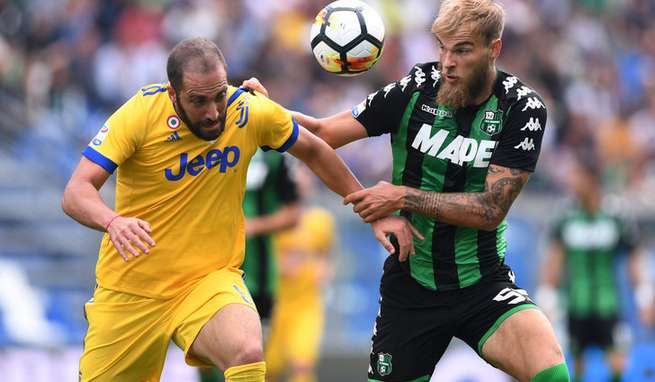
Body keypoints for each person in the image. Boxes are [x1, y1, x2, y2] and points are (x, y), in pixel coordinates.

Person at [61, 37, 419, 382]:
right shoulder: (139, 116)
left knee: (246, 350)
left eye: (219, 95)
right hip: (132, 290)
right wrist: (113, 221)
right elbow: (76, 191)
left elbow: (314, 149)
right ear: (173, 94)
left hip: (207, 279)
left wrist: (371, 210)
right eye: (199, 101)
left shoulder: (247, 111)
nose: (214, 111)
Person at [245, 0, 569, 380]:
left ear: (492, 49)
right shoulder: (416, 88)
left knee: (552, 372)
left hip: (483, 285)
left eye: (461, 50)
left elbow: (490, 210)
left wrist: (401, 197)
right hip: (411, 286)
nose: (447, 62)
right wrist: (271, 113)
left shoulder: (522, 108)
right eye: (442, 47)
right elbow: (324, 133)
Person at [538, 158, 654, 382]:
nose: (572, 182)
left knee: (618, 361)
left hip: (608, 304)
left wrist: (644, 297)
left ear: (591, 180)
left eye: (577, 176)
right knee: (575, 363)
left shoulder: (616, 215)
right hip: (575, 304)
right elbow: (554, 259)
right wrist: (547, 298)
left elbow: (633, 258)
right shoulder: (565, 216)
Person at [199, 150, 301, 382]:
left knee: (252, 358)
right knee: (205, 359)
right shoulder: (205, 142)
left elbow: (293, 214)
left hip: (259, 276)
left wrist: (249, 227)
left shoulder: (273, 155)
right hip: (208, 270)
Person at [266, 203, 335, 382]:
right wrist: (279, 265)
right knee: (268, 367)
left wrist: (324, 268)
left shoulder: (320, 221)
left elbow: (326, 253)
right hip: (275, 304)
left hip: (307, 304)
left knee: (302, 363)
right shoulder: (272, 221)